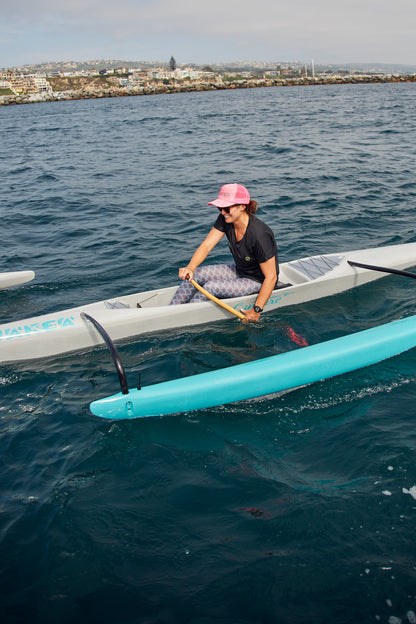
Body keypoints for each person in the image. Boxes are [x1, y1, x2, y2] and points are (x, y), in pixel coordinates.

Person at [170, 183, 279, 322]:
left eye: (226, 208)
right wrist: (190, 268)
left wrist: (257, 309)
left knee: (210, 287)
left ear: (242, 206)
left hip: (258, 280)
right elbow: (206, 246)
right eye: (220, 208)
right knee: (195, 274)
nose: (222, 212)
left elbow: (271, 277)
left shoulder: (260, 234)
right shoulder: (225, 219)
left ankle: (181, 320)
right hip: (240, 270)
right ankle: (172, 310)